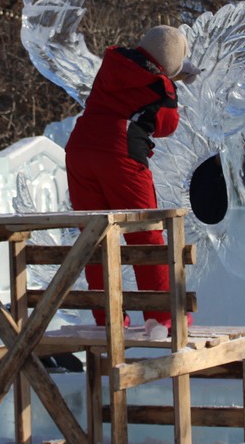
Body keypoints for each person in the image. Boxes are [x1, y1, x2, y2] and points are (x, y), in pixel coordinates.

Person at [64, 25, 198, 332]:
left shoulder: (113, 64)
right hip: (119, 151)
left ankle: (107, 318)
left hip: (79, 148)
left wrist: (168, 74)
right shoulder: (161, 88)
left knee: (94, 235)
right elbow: (167, 125)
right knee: (145, 230)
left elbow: (131, 85)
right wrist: (173, 82)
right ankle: (162, 316)